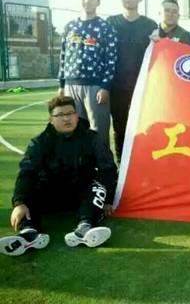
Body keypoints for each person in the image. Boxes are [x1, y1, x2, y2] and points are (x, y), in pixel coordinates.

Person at [0, 96, 118, 256]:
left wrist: (108, 199)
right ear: (51, 119)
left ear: (77, 116)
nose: (66, 118)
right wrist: (19, 202)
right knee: (30, 191)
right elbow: (27, 171)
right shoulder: (40, 142)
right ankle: (28, 232)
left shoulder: (92, 138)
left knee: (97, 187)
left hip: (80, 194)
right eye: (60, 115)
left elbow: (107, 168)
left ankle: (85, 227)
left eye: (70, 113)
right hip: (50, 193)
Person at [58, 0, 117, 148]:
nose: (87, 1)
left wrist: (105, 86)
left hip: (95, 87)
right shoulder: (70, 27)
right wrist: (61, 84)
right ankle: (79, 164)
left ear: (98, 1)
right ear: (79, 0)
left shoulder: (106, 28)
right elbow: (63, 55)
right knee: (74, 130)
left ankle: (103, 163)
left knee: (99, 132)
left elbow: (111, 59)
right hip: (71, 85)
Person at [107, 0, 157, 162]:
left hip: (143, 86)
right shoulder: (110, 22)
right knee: (119, 127)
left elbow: (159, 52)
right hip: (117, 86)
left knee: (144, 126)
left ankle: (141, 164)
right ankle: (122, 165)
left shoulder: (150, 25)